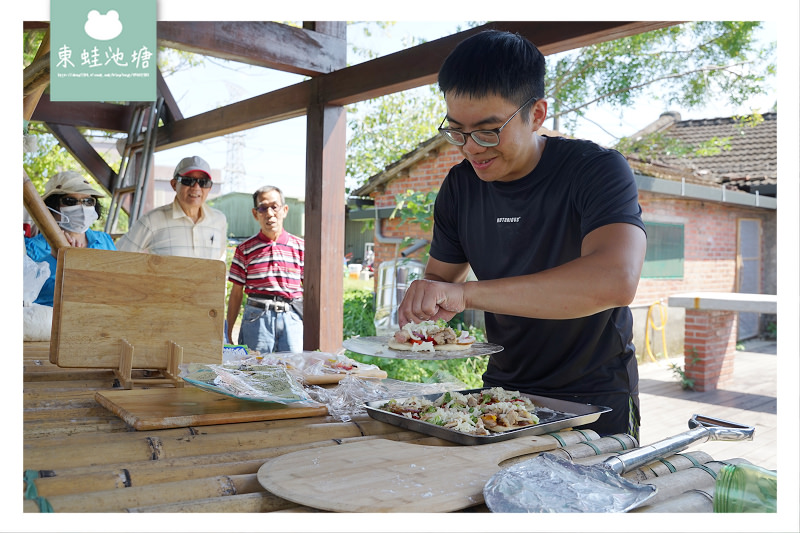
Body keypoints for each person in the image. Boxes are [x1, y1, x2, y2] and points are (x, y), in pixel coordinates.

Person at [396, 30, 647, 438]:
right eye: (456, 130)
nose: (471, 147)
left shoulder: (596, 170)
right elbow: (442, 280)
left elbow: (615, 281)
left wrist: (466, 295)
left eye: (488, 130)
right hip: (502, 391)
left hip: (596, 397)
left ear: (537, 114)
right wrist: (426, 305)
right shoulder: (461, 187)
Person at [226, 185, 304, 353]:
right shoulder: (244, 249)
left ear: (284, 210)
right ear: (255, 213)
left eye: (274, 207)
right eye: (263, 208)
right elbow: (236, 293)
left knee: (295, 372)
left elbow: (311, 292)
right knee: (255, 372)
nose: (269, 213)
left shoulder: (301, 248)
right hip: (256, 321)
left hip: (292, 319)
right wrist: (228, 331)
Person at [25, 170, 117, 306]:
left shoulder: (105, 240)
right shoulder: (30, 247)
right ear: (51, 207)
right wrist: (55, 259)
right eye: (70, 201)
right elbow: (26, 293)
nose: (82, 208)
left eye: (88, 201)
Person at [116, 155, 227, 261]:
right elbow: (117, 257)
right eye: (188, 181)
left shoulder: (219, 220)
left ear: (210, 187)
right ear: (174, 184)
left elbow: (220, 261)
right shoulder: (152, 220)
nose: (196, 187)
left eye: (203, 182)